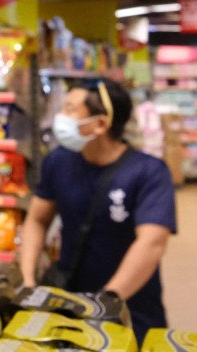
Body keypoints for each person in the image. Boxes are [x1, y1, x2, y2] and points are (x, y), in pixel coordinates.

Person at [20, 79, 176, 342]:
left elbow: (152, 243)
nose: (61, 117)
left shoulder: (149, 172)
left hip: (130, 306)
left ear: (101, 124)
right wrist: (27, 280)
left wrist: (108, 300)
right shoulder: (58, 161)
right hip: (69, 300)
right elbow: (37, 219)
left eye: (70, 109)